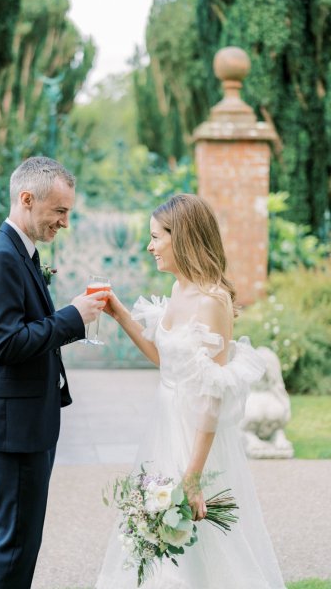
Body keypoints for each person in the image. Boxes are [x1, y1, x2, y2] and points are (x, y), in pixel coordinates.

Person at [97, 194, 286, 589]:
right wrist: (120, 314)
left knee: (202, 538)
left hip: (196, 434)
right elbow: (165, 362)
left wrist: (194, 475)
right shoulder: (178, 288)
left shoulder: (211, 301)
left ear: (180, 237)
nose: (149, 247)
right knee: (160, 537)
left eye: (155, 237)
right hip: (164, 424)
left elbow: (212, 396)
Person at [0, 156, 108, 589]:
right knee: (14, 545)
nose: (64, 222)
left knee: (24, 541)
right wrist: (72, 317)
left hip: (27, 423)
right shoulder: (1, 259)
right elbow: (6, 344)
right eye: (59, 211)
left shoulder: (21, 254)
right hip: (15, 431)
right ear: (27, 199)